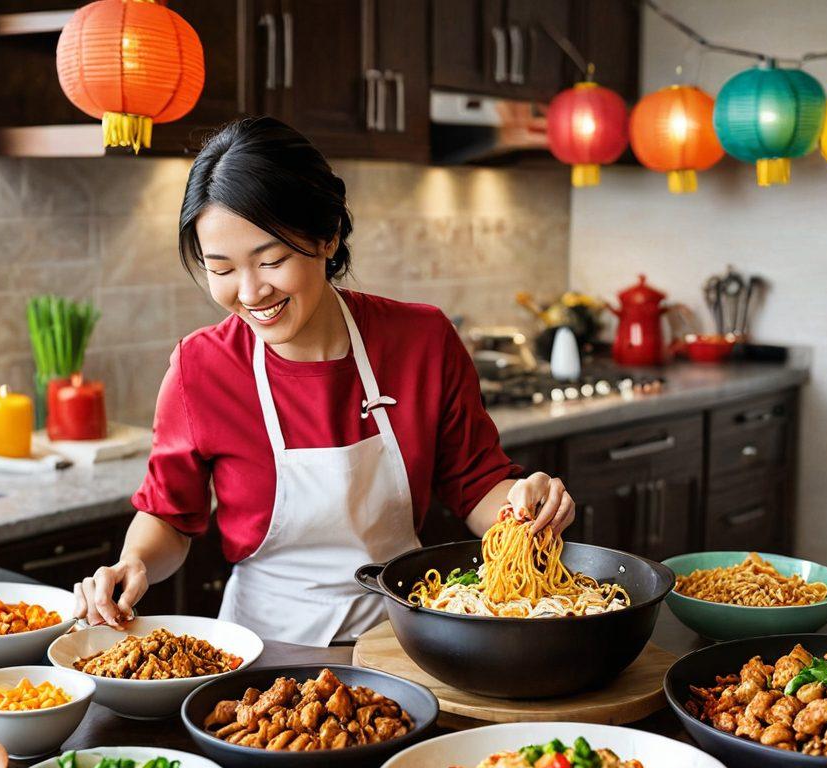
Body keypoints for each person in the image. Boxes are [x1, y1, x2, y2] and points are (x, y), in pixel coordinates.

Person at [72, 117, 576, 646]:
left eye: (272, 260)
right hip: (259, 655)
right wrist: (134, 564)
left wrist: (523, 507)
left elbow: (476, 485)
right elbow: (169, 517)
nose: (250, 292)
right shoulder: (200, 368)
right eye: (221, 270)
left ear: (328, 233)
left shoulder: (421, 339)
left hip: (401, 642)